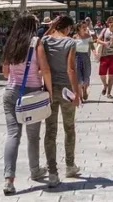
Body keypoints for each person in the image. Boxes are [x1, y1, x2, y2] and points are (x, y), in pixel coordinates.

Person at [0, 15, 52, 196]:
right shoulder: (36, 43)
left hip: (10, 92)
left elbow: (5, 72)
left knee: (13, 134)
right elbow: (45, 69)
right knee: (33, 135)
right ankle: (35, 170)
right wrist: (49, 91)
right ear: (33, 27)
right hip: (32, 93)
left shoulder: (11, 43)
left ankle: (9, 179)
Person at [40, 16, 81, 187]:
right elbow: (70, 69)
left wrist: (52, 26)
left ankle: (52, 172)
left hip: (49, 89)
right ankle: (70, 165)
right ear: (68, 28)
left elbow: (42, 40)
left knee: (50, 130)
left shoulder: (45, 41)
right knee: (69, 128)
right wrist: (77, 92)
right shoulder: (70, 43)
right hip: (66, 90)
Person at [94, 16, 113, 99]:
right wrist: (104, 43)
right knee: (102, 74)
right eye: (110, 22)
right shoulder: (105, 30)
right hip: (104, 55)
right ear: (107, 23)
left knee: (111, 75)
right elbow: (97, 40)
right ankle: (105, 86)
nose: (112, 24)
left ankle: (109, 92)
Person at [73, 20, 93, 102]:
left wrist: (96, 54)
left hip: (86, 57)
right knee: (79, 78)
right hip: (77, 57)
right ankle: (80, 96)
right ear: (79, 28)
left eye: (86, 27)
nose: (85, 28)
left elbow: (92, 47)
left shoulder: (88, 36)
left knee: (86, 76)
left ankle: (84, 90)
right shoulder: (74, 37)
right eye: (83, 27)